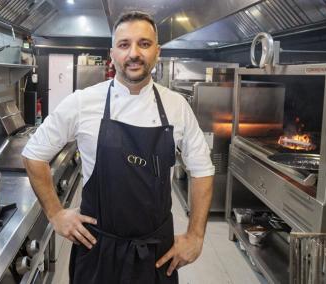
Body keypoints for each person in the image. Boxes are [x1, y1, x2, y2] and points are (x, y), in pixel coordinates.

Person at [22, 11, 214, 284]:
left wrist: (196, 236)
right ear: (112, 53)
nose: (134, 53)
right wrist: (55, 214)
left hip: (156, 253)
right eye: (124, 45)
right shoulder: (83, 102)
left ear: (157, 52)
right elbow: (34, 154)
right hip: (97, 249)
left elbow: (202, 170)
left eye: (144, 44)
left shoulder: (176, 107)